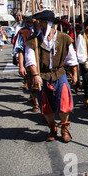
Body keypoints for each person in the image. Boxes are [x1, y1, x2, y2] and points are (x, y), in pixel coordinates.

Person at [24, 10, 79, 143]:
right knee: (45, 104)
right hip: (42, 75)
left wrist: (75, 73)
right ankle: (52, 128)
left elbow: (72, 58)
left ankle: (64, 129)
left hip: (59, 73)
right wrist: (36, 75)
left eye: (42, 22)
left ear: (49, 23)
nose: (39, 24)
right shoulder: (34, 41)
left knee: (64, 101)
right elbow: (30, 60)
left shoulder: (64, 38)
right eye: (39, 22)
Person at [12, 16, 39, 112]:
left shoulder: (41, 32)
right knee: (32, 83)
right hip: (30, 62)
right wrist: (21, 66)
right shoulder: (23, 32)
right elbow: (20, 49)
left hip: (42, 62)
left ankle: (45, 107)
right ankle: (35, 103)